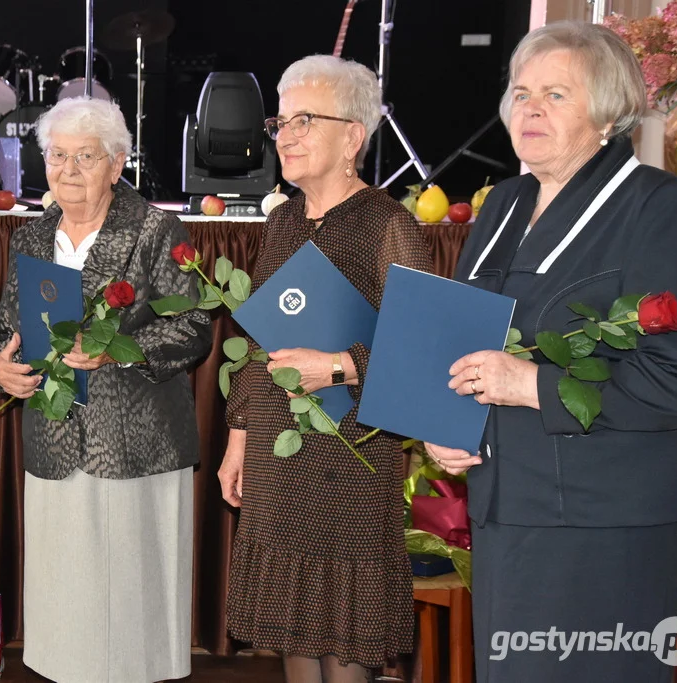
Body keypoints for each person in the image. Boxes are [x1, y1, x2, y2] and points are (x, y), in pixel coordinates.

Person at [429, 21, 677, 683]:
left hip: (607, 521)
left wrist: (531, 385)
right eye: (521, 92)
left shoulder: (655, 206)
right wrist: (449, 426)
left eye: (555, 94)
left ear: (609, 113)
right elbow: (468, 341)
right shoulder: (501, 205)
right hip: (508, 507)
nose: (528, 108)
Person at [217, 55, 431, 682]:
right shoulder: (282, 221)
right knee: (295, 637)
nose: (284, 134)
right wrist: (239, 441)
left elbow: (420, 350)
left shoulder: (387, 225)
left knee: (341, 646)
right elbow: (258, 344)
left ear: (354, 138)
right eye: (281, 121)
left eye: (304, 120)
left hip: (351, 462)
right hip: (278, 461)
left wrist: (338, 366)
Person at [0, 96, 211, 683]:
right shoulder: (32, 238)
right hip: (56, 439)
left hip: (136, 443)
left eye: (85, 157)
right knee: (66, 611)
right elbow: (9, 327)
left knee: (133, 618)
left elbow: (192, 329)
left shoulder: (155, 229)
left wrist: (118, 349)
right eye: (57, 156)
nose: (68, 170)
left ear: (117, 164)